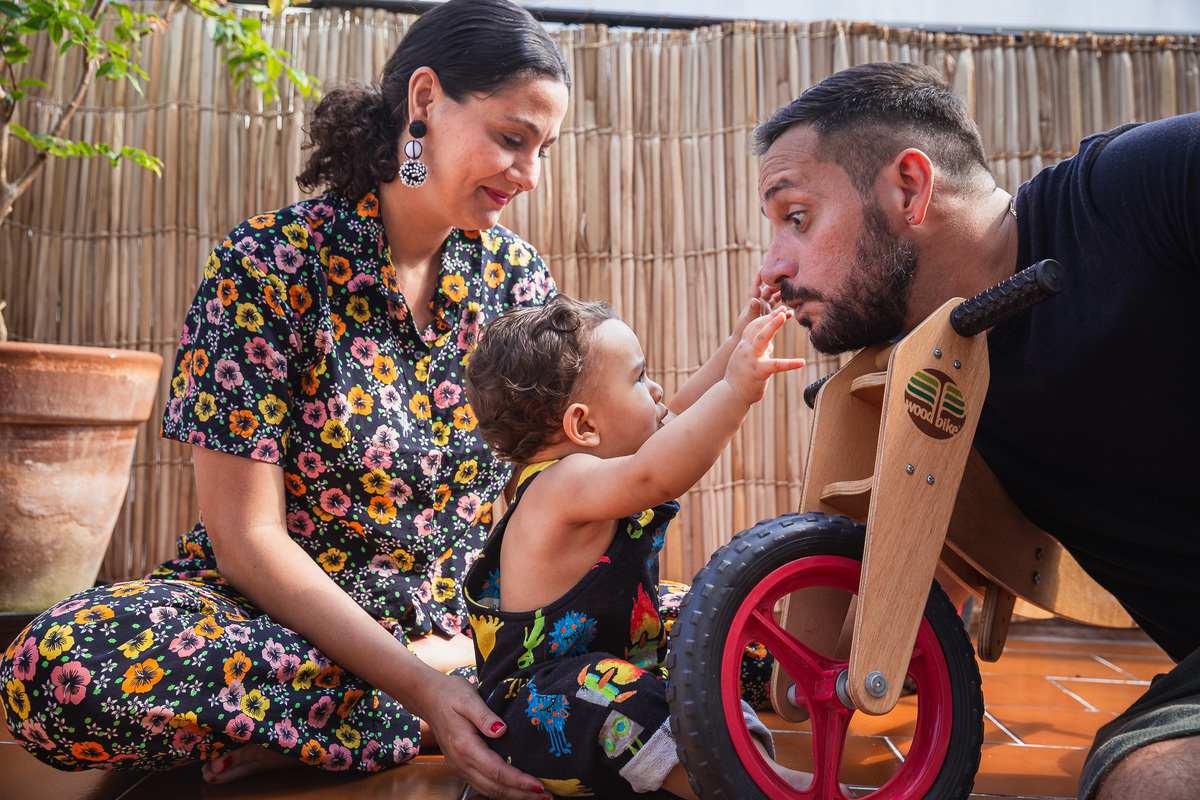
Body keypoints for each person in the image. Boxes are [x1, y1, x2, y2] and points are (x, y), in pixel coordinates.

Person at [0, 1, 571, 797]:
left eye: (544, 148)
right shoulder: (267, 265)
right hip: (275, 619)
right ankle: (434, 697)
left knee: (705, 630)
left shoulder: (519, 283)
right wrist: (425, 685)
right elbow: (247, 540)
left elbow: (556, 473)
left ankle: (340, 720)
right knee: (57, 667)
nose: (530, 173)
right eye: (512, 138)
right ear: (426, 100)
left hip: (456, 618)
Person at [751, 61, 1199, 800]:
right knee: (1147, 779)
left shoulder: (1136, 188)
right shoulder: (936, 387)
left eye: (795, 217)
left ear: (909, 188)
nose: (771, 269)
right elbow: (874, 616)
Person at [461, 294, 808, 797]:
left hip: (614, 665)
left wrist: (733, 347)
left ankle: (744, 731)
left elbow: (678, 417)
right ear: (584, 426)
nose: (657, 388)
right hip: (543, 711)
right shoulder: (561, 485)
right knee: (612, 690)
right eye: (639, 378)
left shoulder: (586, 468)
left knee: (699, 621)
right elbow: (655, 473)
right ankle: (735, 779)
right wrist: (736, 388)